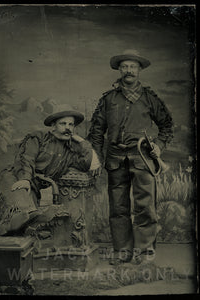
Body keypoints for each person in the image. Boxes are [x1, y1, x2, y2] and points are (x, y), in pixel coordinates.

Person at [87, 50, 174, 264]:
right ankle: (122, 251)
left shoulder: (149, 98)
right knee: (118, 208)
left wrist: (159, 147)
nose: (129, 71)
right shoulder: (108, 99)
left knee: (145, 206)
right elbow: (97, 131)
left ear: (139, 70)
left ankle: (145, 252)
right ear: (119, 69)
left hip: (142, 158)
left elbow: (166, 126)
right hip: (115, 159)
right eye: (125, 66)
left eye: (133, 67)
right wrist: (96, 158)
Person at [0, 110, 101, 236]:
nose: (68, 128)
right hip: (14, 178)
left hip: (33, 188)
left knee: (30, 215)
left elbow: (86, 164)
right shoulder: (39, 137)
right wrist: (25, 179)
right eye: (63, 124)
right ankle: (12, 222)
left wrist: (82, 142)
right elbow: (26, 158)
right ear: (53, 126)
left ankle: (9, 227)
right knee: (22, 209)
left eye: (71, 125)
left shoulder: (70, 152)